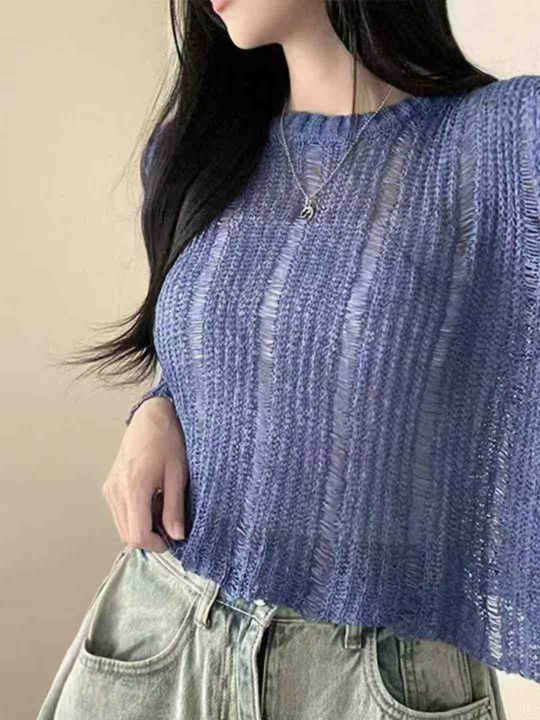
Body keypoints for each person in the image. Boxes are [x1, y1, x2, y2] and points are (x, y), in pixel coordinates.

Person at [37, 1, 540, 718]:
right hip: (162, 628)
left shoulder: (498, 145)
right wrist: (157, 405)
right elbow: (219, 350)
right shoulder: (196, 151)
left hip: (371, 675)